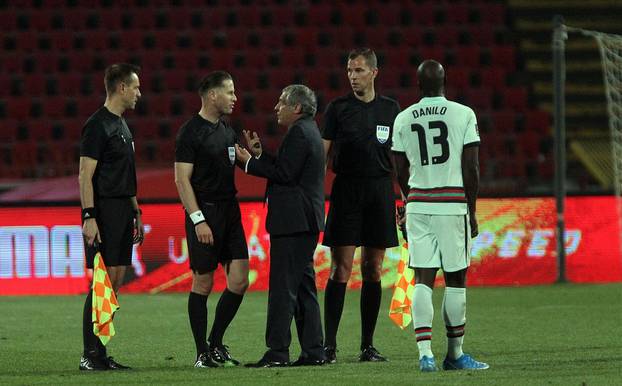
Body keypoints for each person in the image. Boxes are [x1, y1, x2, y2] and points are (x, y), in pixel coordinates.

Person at [392, 60, 489, 372]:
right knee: (455, 280)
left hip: (419, 203)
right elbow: (471, 168)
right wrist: (471, 210)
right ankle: (455, 354)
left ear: (419, 85)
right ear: (445, 82)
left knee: (422, 278)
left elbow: (399, 167)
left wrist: (409, 200)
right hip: (451, 203)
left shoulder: (403, 118)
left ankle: (425, 355)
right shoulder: (463, 114)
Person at [236, 84, 326, 367]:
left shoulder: (299, 132)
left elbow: (285, 174)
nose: (276, 107)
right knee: (302, 288)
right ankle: (313, 351)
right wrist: (261, 156)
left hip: (293, 221)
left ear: (296, 108)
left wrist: (249, 163)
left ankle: (277, 351)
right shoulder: (308, 130)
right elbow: (288, 169)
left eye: (281, 102)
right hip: (304, 221)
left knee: (283, 288)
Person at [321, 48, 401, 363]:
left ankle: (367, 346)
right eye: (350, 71)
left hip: (381, 191)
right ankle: (329, 346)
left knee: (373, 268)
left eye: (359, 70)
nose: (353, 76)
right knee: (340, 269)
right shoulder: (338, 109)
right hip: (347, 190)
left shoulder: (391, 109)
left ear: (374, 73)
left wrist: (405, 196)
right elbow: (322, 154)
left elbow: (401, 158)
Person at [174, 71, 249, 368]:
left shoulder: (227, 129)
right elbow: (182, 180)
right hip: (205, 212)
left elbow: (236, 161)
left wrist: (251, 158)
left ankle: (216, 342)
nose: (234, 98)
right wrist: (198, 219)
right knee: (203, 282)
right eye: (229, 92)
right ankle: (201, 352)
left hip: (230, 211)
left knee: (240, 280)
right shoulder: (190, 132)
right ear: (212, 95)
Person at [78, 63, 144, 371]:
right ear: (121, 88)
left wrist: (136, 210)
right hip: (103, 210)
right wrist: (89, 216)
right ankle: (90, 354)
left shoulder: (122, 124)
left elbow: (126, 175)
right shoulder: (98, 125)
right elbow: (84, 175)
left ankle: (101, 352)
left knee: (115, 281)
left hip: (122, 211)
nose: (138, 93)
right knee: (102, 282)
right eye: (136, 87)